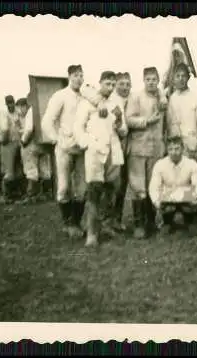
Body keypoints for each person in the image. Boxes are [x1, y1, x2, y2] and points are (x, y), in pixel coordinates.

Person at [74, 71, 127, 247]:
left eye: (113, 84)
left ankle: (106, 226)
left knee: (111, 190)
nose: (110, 88)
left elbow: (123, 131)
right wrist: (89, 144)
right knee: (94, 192)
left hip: (113, 151)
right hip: (95, 152)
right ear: (100, 83)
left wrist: (119, 119)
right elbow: (78, 130)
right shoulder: (87, 102)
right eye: (107, 84)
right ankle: (91, 233)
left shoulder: (116, 103)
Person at [41, 64, 87, 239]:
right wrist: (56, 139)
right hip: (64, 147)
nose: (79, 79)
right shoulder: (60, 96)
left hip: (81, 148)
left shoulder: (85, 97)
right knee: (64, 186)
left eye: (81, 75)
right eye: (75, 75)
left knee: (82, 189)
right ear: (69, 77)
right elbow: (47, 121)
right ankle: (67, 223)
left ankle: (76, 223)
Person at [125, 66, 168, 239]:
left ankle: (151, 222)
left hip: (156, 148)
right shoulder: (136, 96)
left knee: (153, 185)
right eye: (148, 79)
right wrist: (146, 121)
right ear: (143, 80)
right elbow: (128, 120)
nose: (151, 82)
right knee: (138, 186)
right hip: (138, 147)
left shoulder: (161, 97)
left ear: (158, 81)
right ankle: (139, 224)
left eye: (154, 79)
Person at [149, 136, 197, 236]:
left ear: (182, 149)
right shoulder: (160, 164)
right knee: (165, 203)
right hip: (169, 197)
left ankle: (191, 221)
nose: (173, 152)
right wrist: (157, 202)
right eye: (170, 149)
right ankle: (167, 222)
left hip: (186, 197)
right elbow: (154, 187)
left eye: (177, 149)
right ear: (167, 150)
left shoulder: (191, 163)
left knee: (194, 231)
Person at [166, 63, 197, 162]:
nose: (181, 79)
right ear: (173, 78)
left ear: (188, 78)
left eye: (183, 76)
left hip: (191, 145)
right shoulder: (172, 98)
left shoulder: (196, 98)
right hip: (175, 145)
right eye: (178, 76)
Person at [108, 72, 133, 231]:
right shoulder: (111, 101)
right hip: (113, 148)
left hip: (129, 147)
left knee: (123, 184)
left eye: (127, 84)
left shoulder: (133, 98)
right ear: (115, 85)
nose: (125, 87)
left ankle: (116, 218)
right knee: (113, 184)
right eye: (121, 84)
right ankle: (108, 220)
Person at [19, 98, 53, 203]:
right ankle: (46, 194)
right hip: (45, 143)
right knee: (45, 170)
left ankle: (31, 195)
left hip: (32, 143)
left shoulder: (32, 110)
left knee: (31, 170)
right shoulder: (46, 107)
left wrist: (23, 141)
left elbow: (29, 128)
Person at [0, 95, 25, 204]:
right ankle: (6, 195)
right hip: (8, 144)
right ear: (6, 104)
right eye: (8, 103)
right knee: (8, 170)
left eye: (12, 102)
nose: (10, 105)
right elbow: (2, 130)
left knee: (18, 168)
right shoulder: (4, 115)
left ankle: (17, 192)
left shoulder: (18, 114)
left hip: (17, 143)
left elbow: (20, 127)